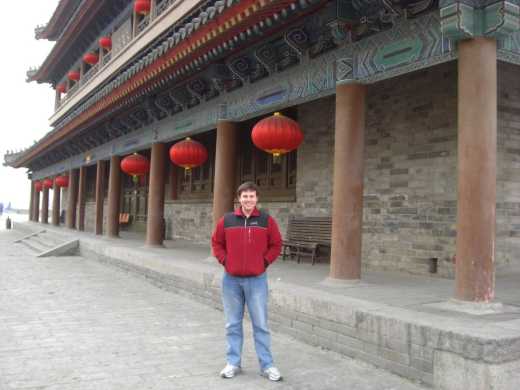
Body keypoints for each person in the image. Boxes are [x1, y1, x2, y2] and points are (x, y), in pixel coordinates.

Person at [211, 181, 283, 381]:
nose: (248, 199)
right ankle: (233, 363)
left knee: (260, 324)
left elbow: (276, 244)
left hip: (257, 280)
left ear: (257, 198)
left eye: (252, 196)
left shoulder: (266, 221)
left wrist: (264, 262)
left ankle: (267, 365)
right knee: (232, 324)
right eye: (245, 196)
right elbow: (216, 242)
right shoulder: (227, 220)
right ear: (239, 198)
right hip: (231, 280)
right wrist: (226, 261)